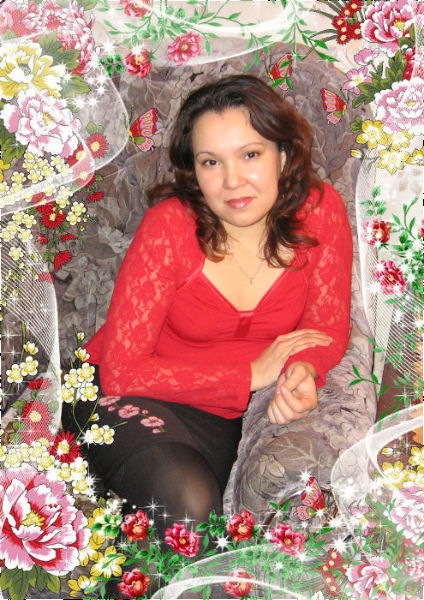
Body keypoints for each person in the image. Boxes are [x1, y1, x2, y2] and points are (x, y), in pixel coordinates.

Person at [64, 74, 352, 535]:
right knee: (189, 503)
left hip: (220, 417)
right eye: (211, 162)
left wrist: (304, 368)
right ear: (194, 171)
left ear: (283, 154)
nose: (232, 181)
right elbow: (122, 371)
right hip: (120, 394)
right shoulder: (169, 228)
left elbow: (326, 326)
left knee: (197, 522)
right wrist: (251, 375)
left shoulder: (319, 211)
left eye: (251, 155)